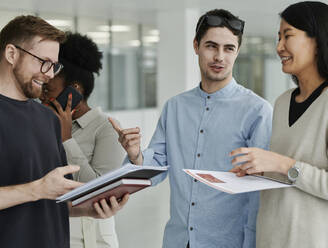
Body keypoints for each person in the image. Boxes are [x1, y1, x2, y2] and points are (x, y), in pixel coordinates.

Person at [110, 9, 272, 248]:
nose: (219, 57)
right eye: (211, 46)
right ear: (196, 46)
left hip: (229, 242)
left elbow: (260, 192)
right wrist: (136, 154)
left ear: (237, 52)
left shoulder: (257, 111)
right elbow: (157, 168)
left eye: (229, 49)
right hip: (178, 240)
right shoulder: (174, 108)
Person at [230, 2, 328, 248]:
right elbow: (290, 177)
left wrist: (282, 164)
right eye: (278, 37)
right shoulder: (283, 102)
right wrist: (260, 171)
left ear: (318, 42)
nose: (279, 47)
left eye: (288, 36)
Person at [0, 15, 128, 248]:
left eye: (54, 65)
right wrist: (36, 189)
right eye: (43, 61)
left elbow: (57, 200)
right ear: (11, 54)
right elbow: (40, 191)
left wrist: (90, 209)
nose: (49, 73)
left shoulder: (49, 119)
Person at [40, 32, 126, 248]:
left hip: (91, 240)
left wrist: (66, 139)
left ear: (73, 92)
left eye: (48, 89)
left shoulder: (106, 129)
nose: (41, 96)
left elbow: (100, 189)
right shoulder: (44, 124)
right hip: (50, 232)